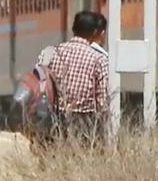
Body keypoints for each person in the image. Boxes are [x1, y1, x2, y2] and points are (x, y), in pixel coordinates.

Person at [46, 11, 110, 145]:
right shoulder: (99, 59)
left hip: (56, 117)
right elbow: (102, 99)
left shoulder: (54, 53)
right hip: (84, 120)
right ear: (95, 32)